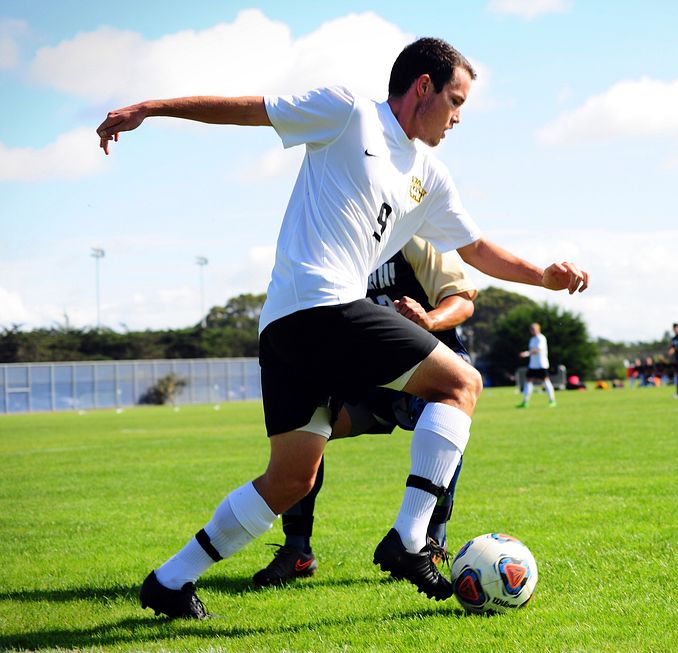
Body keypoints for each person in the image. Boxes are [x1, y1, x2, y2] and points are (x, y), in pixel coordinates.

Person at [98, 37, 589, 618]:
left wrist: (544, 276)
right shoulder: (348, 112)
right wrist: (150, 109)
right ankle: (409, 542)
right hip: (318, 306)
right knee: (462, 384)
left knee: (289, 482)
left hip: (285, 328)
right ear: (422, 88)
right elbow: (248, 109)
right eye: (455, 100)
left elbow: (476, 248)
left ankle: (170, 581)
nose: (459, 117)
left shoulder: (430, 175)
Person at [253, 236, 475, 588]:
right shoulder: (340, 248)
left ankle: (430, 540)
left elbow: (462, 301)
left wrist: (430, 320)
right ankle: (298, 549)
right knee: (309, 425)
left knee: (443, 417)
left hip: (427, 373)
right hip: (370, 380)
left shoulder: (416, 239)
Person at [518, 323, 557, 408]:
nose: (532, 330)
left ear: (538, 329)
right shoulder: (532, 339)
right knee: (528, 381)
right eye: (531, 329)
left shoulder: (541, 338)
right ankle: (525, 401)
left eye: (534, 329)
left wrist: (526, 353)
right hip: (532, 365)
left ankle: (552, 400)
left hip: (541, 364)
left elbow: (538, 350)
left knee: (546, 381)